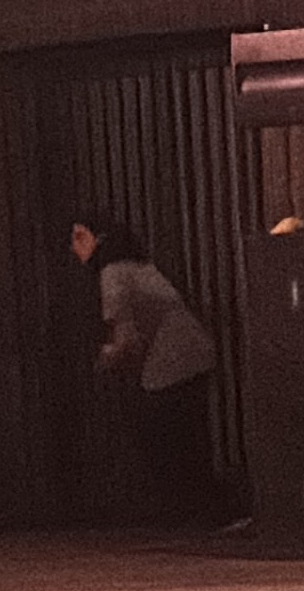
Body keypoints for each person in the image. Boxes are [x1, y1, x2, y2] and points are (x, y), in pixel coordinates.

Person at [72, 216, 223, 524]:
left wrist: (105, 358)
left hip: (169, 363)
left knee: (163, 439)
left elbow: (126, 337)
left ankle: (187, 510)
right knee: (189, 437)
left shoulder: (113, 273)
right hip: (193, 354)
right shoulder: (140, 267)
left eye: (79, 237)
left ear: (98, 238)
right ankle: (208, 510)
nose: (74, 247)